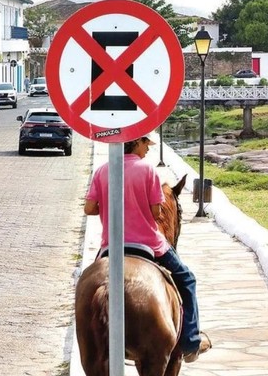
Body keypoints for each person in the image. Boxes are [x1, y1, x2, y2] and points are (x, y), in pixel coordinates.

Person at [83, 134, 209, 362]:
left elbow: (90, 209)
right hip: (149, 244)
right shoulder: (148, 170)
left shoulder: (103, 170)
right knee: (188, 279)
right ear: (135, 142)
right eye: (145, 144)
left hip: (110, 246)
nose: (148, 150)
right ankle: (190, 342)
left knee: (88, 288)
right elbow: (156, 213)